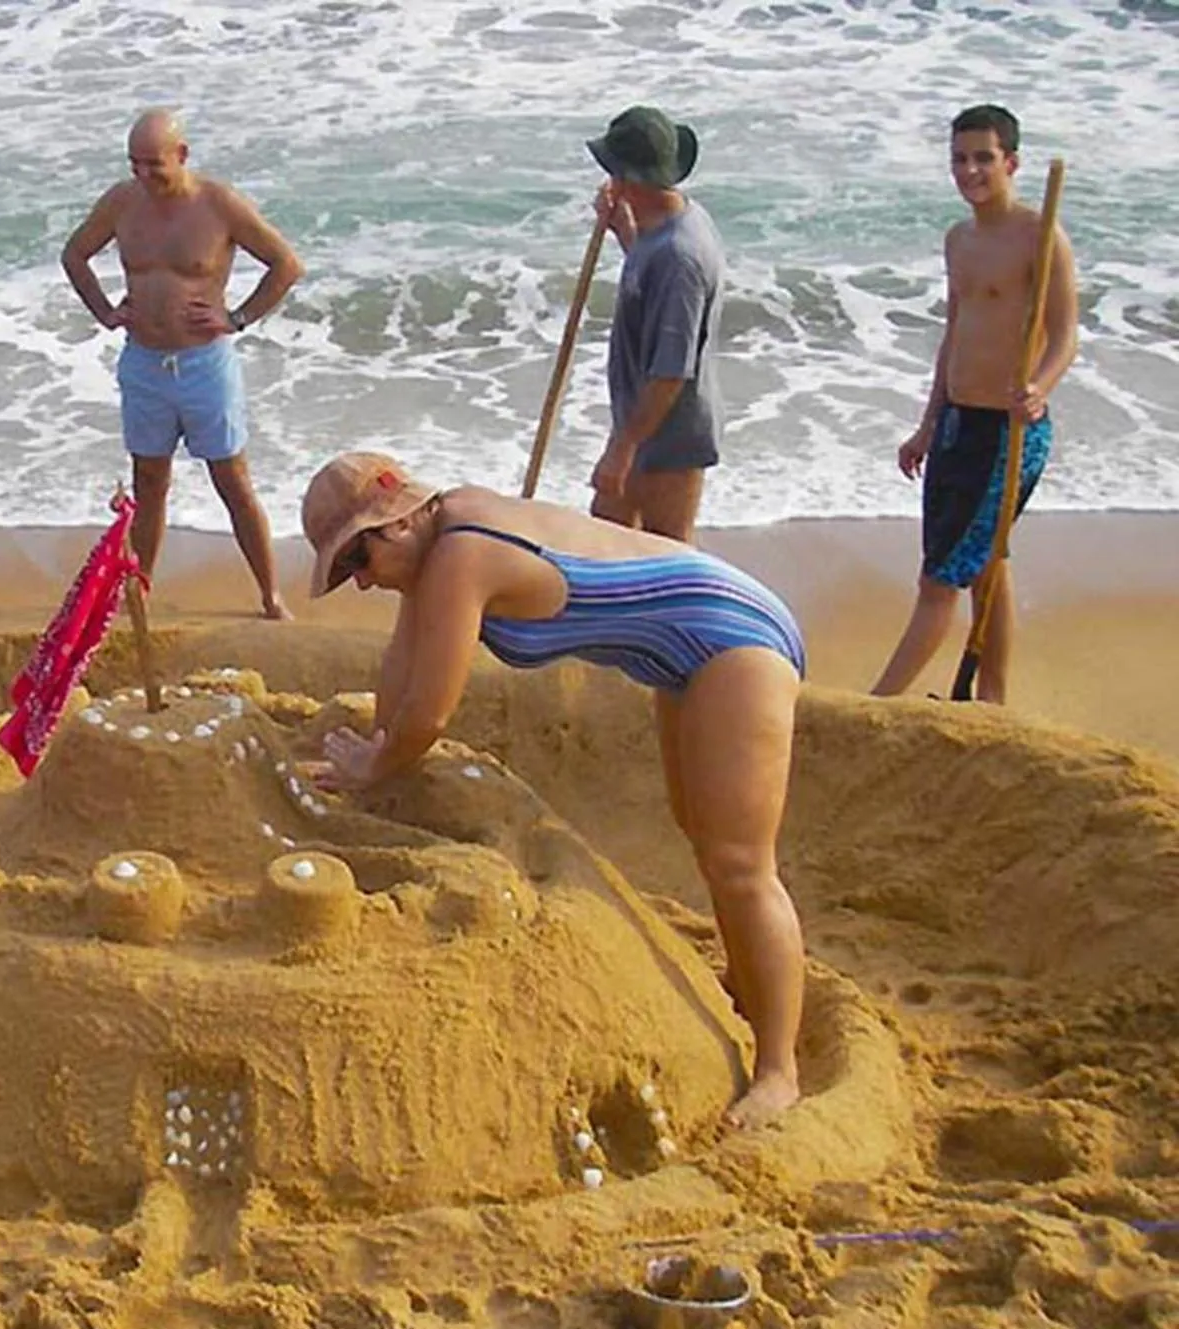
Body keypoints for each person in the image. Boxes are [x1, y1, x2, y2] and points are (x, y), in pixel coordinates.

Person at [300, 451, 808, 1128]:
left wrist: (380, 762)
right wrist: (368, 754)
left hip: (732, 634)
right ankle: (748, 988)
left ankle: (780, 1072)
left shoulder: (462, 554)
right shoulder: (436, 547)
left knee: (742, 862)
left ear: (392, 526)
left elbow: (430, 712)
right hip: (681, 653)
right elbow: (401, 674)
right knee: (703, 830)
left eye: (355, 563)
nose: (359, 585)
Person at [870, 104, 1079, 706]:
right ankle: (992, 700)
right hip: (959, 423)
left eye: (983, 158)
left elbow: (1066, 336)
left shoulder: (1042, 237)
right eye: (960, 159)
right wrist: (928, 424)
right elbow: (955, 335)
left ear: (1010, 162)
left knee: (939, 579)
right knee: (986, 567)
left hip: (1010, 433)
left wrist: (1040, 386)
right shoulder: (958, 239)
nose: (970, 170)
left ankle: (877, 703)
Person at [62, 107, 305, 619]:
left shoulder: (219, 205)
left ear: (182, 155)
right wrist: (105, 311)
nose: (143, 175)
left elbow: (287, 264)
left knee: (232, 480)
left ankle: (270, 594)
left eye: (154, 164)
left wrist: (237, 318)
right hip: (144, 363)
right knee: (149, 481)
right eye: (134, 164)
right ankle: (141, 593)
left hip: (203, 365)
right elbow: (75, 254)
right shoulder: (122, 202)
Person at [584, 105, 726, 544]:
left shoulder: (678, 256)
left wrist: (622, 449)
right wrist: (624, 233)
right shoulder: (671, 224)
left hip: (668, 437)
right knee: (606, 539)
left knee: (667, 552)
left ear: (629, 179)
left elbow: (670, 372)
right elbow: (653, 289)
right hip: (646, 425)